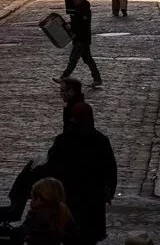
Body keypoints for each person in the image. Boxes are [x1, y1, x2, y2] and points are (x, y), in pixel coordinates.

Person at [44, 102, 117, 245]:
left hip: (70, 199)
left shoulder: (63, 140)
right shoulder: (100, 140)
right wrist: (108, 192)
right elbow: (110, 169)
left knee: (69, 237)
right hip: (93, 201)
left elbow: (51, 167)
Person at [11, 177, 80, 245]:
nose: (31, 203)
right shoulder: (66, 217)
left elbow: (18, 236)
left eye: (32, 197)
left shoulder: (35, 218)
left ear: (39, 199)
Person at [55, 0, 102, 88]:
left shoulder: (83, 9)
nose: (75, 1)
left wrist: (71, 27)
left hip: (81, 38)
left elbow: (82, 25)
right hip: (81, 38)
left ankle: (64, 77)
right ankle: (97, 79)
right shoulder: (79, 8)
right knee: (88, 59)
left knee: (73, 59)